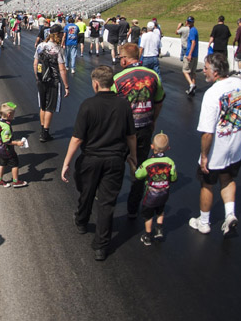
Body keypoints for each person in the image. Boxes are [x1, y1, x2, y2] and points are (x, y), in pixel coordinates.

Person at [61, 65, 136, 261]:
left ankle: (81, 220)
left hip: (91, 159)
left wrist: (67, 162)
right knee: (107, 202)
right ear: (112, 82)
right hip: (115, 160)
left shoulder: (88, 105)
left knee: (86, 192)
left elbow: (77, 138)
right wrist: (133, 156)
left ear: (95, 84)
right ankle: (101, 246)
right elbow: (131, 136)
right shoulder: (124, 105)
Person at [189, 52, 241, 236]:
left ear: (215, 72)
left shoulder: (212, 94)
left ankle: (204, 222)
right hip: (235, 147)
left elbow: (207, 132)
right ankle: (230, 214)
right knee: (228, 179)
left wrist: (204, 156)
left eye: (206, 68)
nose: (204, 71)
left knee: (207, 184)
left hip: (217, 150)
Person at [113, 43, 164, 219]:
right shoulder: (153, 75)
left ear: (125, 59)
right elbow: (159, 101)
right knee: (139, 167)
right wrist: (153, 120)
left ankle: (109, 201)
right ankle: (133, 209)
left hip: (122, 131)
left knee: (116, 166)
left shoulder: (118, 78)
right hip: (144, 128)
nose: (120, 60)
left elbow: (110, 105)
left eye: (120, 57)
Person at [135, 132, 177, 246]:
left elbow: (138, 175)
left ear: (152, 146)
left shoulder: (147, 163)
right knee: (160, 210)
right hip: (164, 192)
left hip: (150, 194)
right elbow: (174, 177)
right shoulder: (170, 162)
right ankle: (159, 228)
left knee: (148, 215)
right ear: (168, 148)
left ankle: (148, 235)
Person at [32, 25, 70, 142]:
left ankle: (42, 129)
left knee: (43, 105)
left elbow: (35, 63)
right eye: (61, 33)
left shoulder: (40, 46)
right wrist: (66, 85)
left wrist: (37, 77)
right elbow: (62, 69)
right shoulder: (58, 49)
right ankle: (45, 133)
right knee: (50, 107)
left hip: (41, 79)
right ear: (57, 34)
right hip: (53, 80)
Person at [0, 102, 27, 188]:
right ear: (9, 115)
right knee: (15, 164)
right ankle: (16, 181)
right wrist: (17, 143)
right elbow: (7, 141)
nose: (13, 116)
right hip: (7, 149)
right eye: (13, 114)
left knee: (2, 164)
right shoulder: (6, 127)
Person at [183, 16, 199, 96]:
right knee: (193, 72)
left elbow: (193, 42)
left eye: (190, 22)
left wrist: (189, 54)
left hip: (190, 54)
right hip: (195, 54)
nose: (188, 23)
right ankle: (192, 89)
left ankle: (191, 84)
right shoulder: (194, 30)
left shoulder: (192, 31)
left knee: (185, 71)